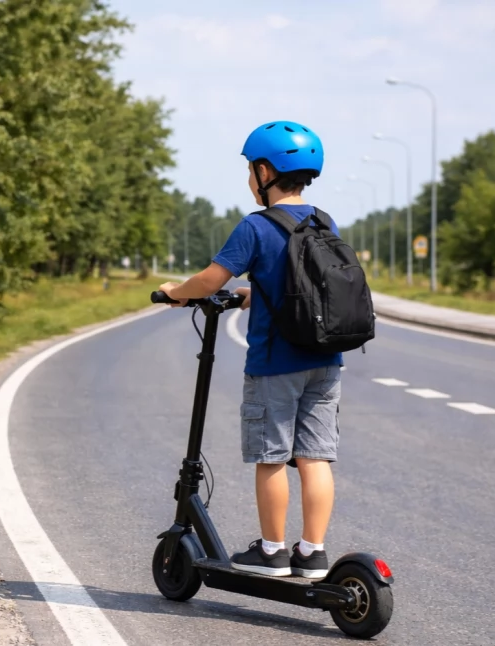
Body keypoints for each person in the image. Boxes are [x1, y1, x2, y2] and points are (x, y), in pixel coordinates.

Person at [157, 121, 339, 579]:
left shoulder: (256, 227)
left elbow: (209, 280)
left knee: (272, 456)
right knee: (314, 457)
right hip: (324, 360)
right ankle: (313, 553)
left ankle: (273, 552)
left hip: (275, 363)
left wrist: (177, 291)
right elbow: (297, 288)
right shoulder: (324, 221)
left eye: (249, 170)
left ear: (264, 171)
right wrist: (247, 295)